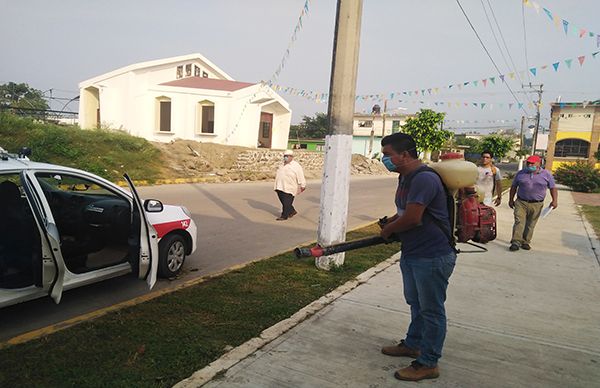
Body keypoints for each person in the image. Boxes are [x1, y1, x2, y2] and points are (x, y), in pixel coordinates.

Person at [379, 133, 456, 382]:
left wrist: (390, 230)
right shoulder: (405, 177)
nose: (384, 160)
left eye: (388, 155)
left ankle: (428, 362)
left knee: (432, 310)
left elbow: (413, 218)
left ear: (404, 155)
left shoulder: (423, 179)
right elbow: (404, 211)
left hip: (432, 255)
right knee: (416, 303)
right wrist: (390, 221)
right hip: (413, 251)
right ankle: (413, 344)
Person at [508, 155, 558, 251]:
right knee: (519, 221)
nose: (530, 164)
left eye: (532, 163)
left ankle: (525, 241)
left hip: (537, 203)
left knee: (531, 224)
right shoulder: (520, 174)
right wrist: (511, 199)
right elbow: (514, 187)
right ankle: (516, 241)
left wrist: (554, 200)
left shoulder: (546, 174)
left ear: (539, 163)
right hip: (521, 202)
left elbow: (553, 188)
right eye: (528, 163)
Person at [274, 149, 306, 221]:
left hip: (290, 187)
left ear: (292, 157)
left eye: (287, 156)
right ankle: (292, 211)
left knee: (286, 202)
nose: (286, 157)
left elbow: (300, 175)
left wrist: (302, 185)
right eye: (285, 156)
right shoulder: (282, 164)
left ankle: (284, 215)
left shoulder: (296, 166)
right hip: (280, 186)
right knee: (283, 201)